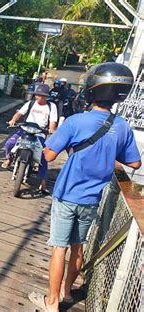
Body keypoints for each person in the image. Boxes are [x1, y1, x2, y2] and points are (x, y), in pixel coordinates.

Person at [28, 62, 141, 312]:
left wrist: (53, 144)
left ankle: (52, 302)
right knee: (78, 247)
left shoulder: (76, 121)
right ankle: (68, 293)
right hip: (91, 199)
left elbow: (47, 156)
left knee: (60, 248)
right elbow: (135, 161)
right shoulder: (121, 126)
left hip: (67, 195)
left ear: (92, 90)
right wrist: (110, 152)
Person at [2, 84, 57, 192]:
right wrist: (13, 120)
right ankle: (9, 158)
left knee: (43, 157)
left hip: (40, 132)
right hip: (26, 129)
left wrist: (51, 129)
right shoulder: (30, 103)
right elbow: (19, 113)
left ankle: (43, 181)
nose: (37, 97)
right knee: (10, 143)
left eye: (40, 95)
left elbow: (52, 121)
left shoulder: (51, 106)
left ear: (45, 96)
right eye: (36, 94)